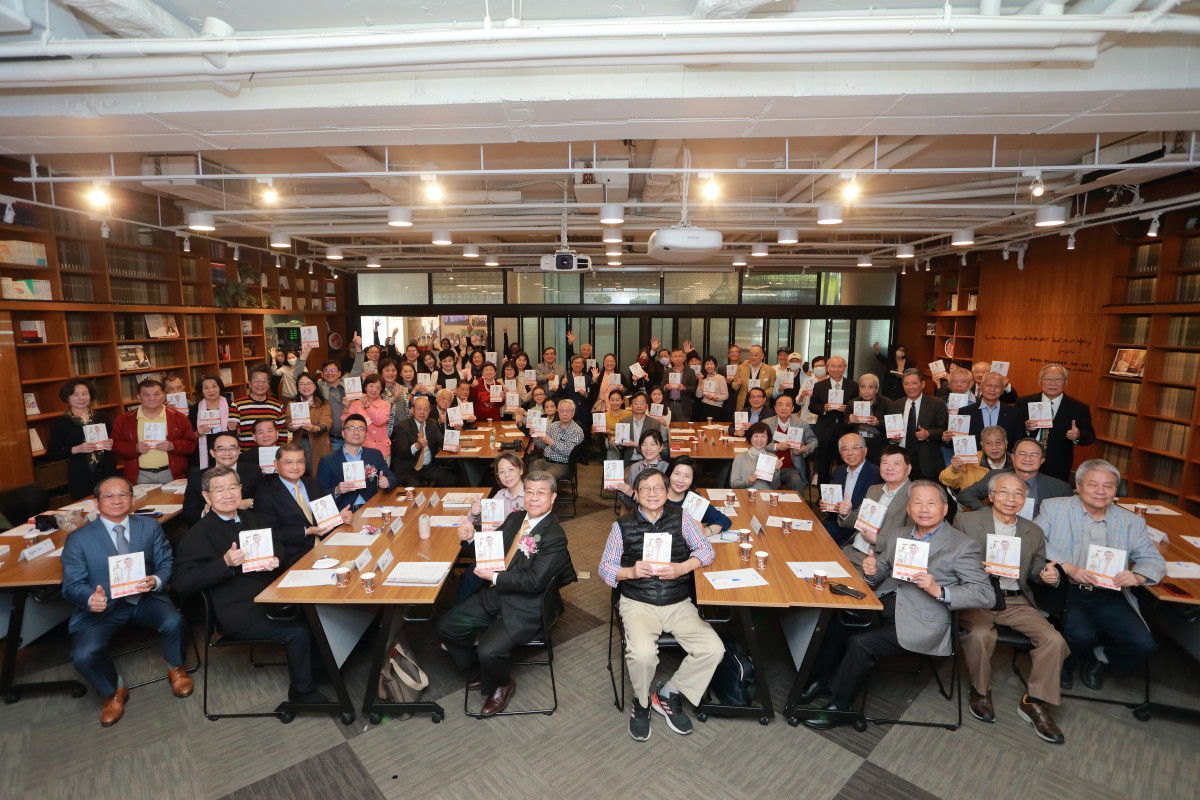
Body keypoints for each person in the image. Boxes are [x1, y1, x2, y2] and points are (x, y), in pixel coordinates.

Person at [801, 480, 994, 729]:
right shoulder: (899, 534)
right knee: (836, 618)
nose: (923, 509)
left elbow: (985, 594)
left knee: (861, 642)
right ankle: (823, 679)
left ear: (945, 509)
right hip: (886, 602)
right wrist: (872, 571)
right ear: (909, 508)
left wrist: (940, 590)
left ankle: (842, 704)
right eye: (917, 502)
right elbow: (883, 570)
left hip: (923, 617)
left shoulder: (962, 545)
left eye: (931, 503)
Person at [173, 465, 331, 706]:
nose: (228, 494)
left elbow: (275, 543)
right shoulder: (197, 534)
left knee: (318, 609)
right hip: (237, 609)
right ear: (206, 496)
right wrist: (223, 563)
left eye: (232, 487)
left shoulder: (251, 517)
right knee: (299, 631)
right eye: (219, 490)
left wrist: (275, 558)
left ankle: (319, 672)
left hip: (269, 593)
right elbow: (182, 583)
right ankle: (304, 694)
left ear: (241, 489)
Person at [437, 472, 576, 717]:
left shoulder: (555, 536)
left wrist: (495, 577)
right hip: (495, 594)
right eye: (529, 492)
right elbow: (492, 546)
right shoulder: (515, 518)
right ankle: (487, 669)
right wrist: (472, 538)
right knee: (449, 626)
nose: (533, 498)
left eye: (541, 492)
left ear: (553, 498)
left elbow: (535, 582)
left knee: (489, 649)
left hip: (526, 606)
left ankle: (503, 682)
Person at [600, 468, 724, 741]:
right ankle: (642, 702)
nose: (653, 494)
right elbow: (605, 569)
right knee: (642, 653)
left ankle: (668, 692)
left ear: (667, 492)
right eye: (645, 489)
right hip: (638, 601)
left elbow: (706, 551)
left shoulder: (683, 519)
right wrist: (631, 572)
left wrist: (682, 568)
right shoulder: (621, 525)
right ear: (637, 494)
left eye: (658, 488)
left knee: (713, 649)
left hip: (677, 601)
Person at [60, 476, 192, 727]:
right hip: (103, 605)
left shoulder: (149, 526)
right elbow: (71, 585)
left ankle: (176, 666)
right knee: (83, 654)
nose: (117, 500)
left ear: (133, 499)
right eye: (109, 496)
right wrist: (89, 598)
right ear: (96, 502)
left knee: (175, 621)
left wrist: (155, 579)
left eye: (123, 494)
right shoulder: (79, 539)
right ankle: (112, 690)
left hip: (144, 597)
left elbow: (166, 562)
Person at [955, 472, 1069, 743]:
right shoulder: (966, 521)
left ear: (1025, 499)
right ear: (991, 496)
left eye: (1018, 493)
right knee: (981, 634)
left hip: (1015, 598)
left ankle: (1035, 701)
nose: (1011, 498)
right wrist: (972, 567)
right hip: (978, 596)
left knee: (1053, 640)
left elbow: (1034, 569)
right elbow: (949, 559)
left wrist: (1047, 575)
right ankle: (981, 690)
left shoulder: (1033, 531)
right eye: (1004, 492)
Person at [1036, 459, 1165, 691]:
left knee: (1143, 644)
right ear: (1078, 485)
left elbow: (1153, 559)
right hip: (1068, 589)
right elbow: (1034, 541)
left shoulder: (1131, 522)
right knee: (1080, 635)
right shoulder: (1053, 507)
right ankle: (1065, 666)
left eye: (1108, 486)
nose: (1100, 491)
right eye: (1093, 484)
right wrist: (1067, 566)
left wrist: (1138, 577)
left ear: (1116, 490)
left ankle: (1102, 657)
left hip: (1109, 593)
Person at [255, 443, 351, 568]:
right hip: (293, 555)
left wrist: (339, 517)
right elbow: (270, 533)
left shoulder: (313, 483)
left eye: (300, 461)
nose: (295, 467)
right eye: (288, 462)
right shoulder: (265, 493)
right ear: (276, 464)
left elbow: (324, 514)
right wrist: (306, 531)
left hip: (327, 545)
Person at [1015, 364, 1096, 482]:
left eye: (1058, 379)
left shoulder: (1079, 407)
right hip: (1026, 461)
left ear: (1065, 382)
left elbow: (1090, 436)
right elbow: (1013, 431)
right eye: (1048, 379)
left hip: (1058, 465)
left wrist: (1078, 436)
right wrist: (1025, 428)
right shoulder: (1023, 402)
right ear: (1040, 381)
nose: (1053, 383)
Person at [838, 446, 913, 567]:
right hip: (850, 551)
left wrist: (878, 540)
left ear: (908, 469)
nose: (889, 468)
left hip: (875, 563)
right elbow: (857, 521)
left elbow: (913, 541)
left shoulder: (914, 497)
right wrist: (846, 514)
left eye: (896, 463)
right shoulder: (874, 490)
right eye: (885, 463)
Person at [111, 378, 198, 484]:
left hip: (171, 473)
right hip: (139, 475)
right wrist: (135, 448)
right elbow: (115, 444)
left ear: (163, 395)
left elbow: (191, 443)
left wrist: (173, 446)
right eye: (146, 395)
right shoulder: (125, 419)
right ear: (139, 397)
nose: (152, 398)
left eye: (156, 394)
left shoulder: (178, 417)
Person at [957, 438, 1073, 516]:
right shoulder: (996, 476)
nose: (1027, 459)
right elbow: (965, 494)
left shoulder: (1060, 489)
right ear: (1013, 457)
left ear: (1042, 461)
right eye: (1022, 453)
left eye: (1034, 455)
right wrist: (987, 511)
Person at [48, 379, 117, 499]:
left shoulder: (102, 417)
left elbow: (113, 440)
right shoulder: (60, 423)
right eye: (75, 394)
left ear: (90, 395)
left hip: (107, 472)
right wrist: (77, 449)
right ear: (67, 397)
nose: (81, 398)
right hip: (81, 476)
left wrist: (111, 443)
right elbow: (52, 453)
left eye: (84, 393)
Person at [317, 413, 396, 510]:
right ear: (343, 433)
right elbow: (319, 495)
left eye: (361, 429)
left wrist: (386, 482)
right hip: (344, 512)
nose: (356, 432)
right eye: (351, 428)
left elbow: (392, 477)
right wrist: (336, 490)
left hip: (371, 508)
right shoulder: (327, 461)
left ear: (366, 434)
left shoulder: (375, 455)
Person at [182, 431, 260, 524]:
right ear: (212, 453)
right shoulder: (197, 477)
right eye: (221, 449)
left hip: (247, 525)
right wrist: (205, 513)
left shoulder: (253, 471)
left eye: (232, 448)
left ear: (239, 450)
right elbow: (188, 513)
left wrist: (250, 503)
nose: (227, 453)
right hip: (212, 528)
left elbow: (266, 501)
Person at [886, 368, 948, 481]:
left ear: (922, 384)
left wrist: (928, 433)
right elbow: (890, 431)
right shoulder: (894, 405)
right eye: (906, 384)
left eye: (914, 383)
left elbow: (944, 429)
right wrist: (893, 439)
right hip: (900, 459)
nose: (910, 387)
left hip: (926, 462)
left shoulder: (937, 403)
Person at [822, 433, 882, 545]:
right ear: (840, 453)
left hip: (859, 529)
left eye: (855, 448)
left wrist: (847, 514)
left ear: (865, 450)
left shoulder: (877, 474)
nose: (850, 453)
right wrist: (827, 505)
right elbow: (835, 503)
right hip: (837, 521)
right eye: (845, 449)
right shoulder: (839, 471)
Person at [808, 355, 859, 484]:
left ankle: (844, 494)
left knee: (846, 464)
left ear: (844, 368)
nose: (836, 369)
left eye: (840, 366)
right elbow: (812, 406)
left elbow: (858, 406)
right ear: (827, 368)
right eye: (833, 366)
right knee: (823, 466)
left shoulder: (853, 385)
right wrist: (823, 408)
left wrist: (847, 409)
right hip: (825, 430)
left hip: (845, 430)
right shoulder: (820, 385)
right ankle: (822, 498)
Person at [391, 396, 458, 488]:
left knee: (451, 480)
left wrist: (453, 445)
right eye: (419, 409)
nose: (422, 412)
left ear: (429, 411)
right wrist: (417, 446)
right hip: (409, 468)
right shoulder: (403, 427)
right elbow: (402, 452)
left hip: (428, 467)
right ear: (412, 410)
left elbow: (442, 442)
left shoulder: (432, 423)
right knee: (415, 487)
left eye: (425, 409)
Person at [761, 394, 818, 492]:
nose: (783, 408)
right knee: (763, 485)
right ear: (775, 408)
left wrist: (804, 449)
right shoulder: (766, 423)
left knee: (797, 481)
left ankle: (797, 507)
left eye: (787, 405)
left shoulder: (801, 424)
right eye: (780, 405)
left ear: (792, 408)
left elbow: (814, 441)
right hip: (770, 467)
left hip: (792, 468)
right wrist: (776, 446)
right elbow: (758, 443)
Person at [665, 456, 732, 538]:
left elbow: (724, 520)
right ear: (669, 475)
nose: (681, 480)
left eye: (687, 476)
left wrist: (705, 531)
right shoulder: (655, 498)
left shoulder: (694, 499)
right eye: (677, 474)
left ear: (692, 480)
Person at [318, 337, 365, 451]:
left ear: (339, 373)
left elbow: (358, 369)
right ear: (322, 374)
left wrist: (358, 348)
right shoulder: (319, 388)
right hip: (332, 438)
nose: (330, 373)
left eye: (333, 370)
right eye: (327, 371)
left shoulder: (347, 385)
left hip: (353, 436)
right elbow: (299, 378)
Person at [229, 365, 288, 449]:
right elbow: (232, 434)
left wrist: (281, 453)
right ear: (249, 383)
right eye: (256, 380)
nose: (260, 384)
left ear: (268, 383)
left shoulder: (277, 405)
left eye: (264, 381)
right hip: (246, 455)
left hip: (271, 455)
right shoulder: (237, 405)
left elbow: (282, 433)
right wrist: (232, 428)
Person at [938, 425, 1011, 493]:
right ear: (982, 445)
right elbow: (947, 482)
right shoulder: (969, 459)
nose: (994, 447)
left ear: (1006, 443)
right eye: (988, 443)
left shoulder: (1016, 461)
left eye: (998, 442)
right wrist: (955, 469)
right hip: (971, 505)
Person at [286, 372, 332, 476]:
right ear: (297, 388)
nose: (305, 387)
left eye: (309, 383)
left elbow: (326, 423)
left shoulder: (324, 403)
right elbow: (288, 422)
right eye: (302, 384)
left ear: (315, 386)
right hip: (299, 443)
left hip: (319, 444)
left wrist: (315, 428)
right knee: (300, 474)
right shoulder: (292, 404)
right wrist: (291, 426)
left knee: (319, 475)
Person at [528, 398, 585, 481]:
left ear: (573, 412)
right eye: (561, 411)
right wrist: (536, 437)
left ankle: (543, 491)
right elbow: (542, 446)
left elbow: (568, 452)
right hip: (544, 461)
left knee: (544, 479)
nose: (564, 414)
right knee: (532, 470)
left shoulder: (577, 431)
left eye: (568, 411)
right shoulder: (553, 426)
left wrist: (551, 442)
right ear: (558, 412)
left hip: (562, 465)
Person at [962, 371, 1024, 445]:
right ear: (981, 387)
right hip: (975, 456)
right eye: (988, 385)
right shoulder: (965, 412)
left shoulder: (1015, 414)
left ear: (1003, 389)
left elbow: (1018, 442)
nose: (992, 389)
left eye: (997, 386)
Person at [840, 372, 888, 464]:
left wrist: (878, 423)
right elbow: (844, 428)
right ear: (859, 388)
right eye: (863, 387)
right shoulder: (852, 403)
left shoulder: (886, 403)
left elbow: (892, 428)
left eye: (870, 387)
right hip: (858, 442)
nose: (866, 391)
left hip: (878, 442)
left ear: (876, 389)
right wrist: (850, 422)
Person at [342, 373, 392, 461]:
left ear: (381, 390)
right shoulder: (355, 404)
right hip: (361, 448)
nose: (374, 390)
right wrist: (346, 409)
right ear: (365, 387)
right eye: (371, 386)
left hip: (382, 450)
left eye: (378, 388)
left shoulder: (385, 405)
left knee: (382, 473)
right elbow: (346, 426)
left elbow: (380, 421)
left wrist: (367, 406)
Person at [616, 430, 669, 508]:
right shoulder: (634, 467)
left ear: (661, 447)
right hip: (637, 514)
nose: (648, 448)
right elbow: (629, 503)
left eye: (653, 444)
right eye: (644, 444)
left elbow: (662, 503)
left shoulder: (666, 468)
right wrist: (620, 489)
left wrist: (632, 494)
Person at [610, 391, 664, 465]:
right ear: (631, 406)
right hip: (629, 461)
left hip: (648, 461)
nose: (639, 406)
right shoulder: (624, 422)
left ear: (647, 406)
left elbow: (656, 447)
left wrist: (635, 445)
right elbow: (621, 447)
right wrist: (616, 442)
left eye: (642, 403)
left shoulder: (654, 423)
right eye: (636, 403)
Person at [189, 373, 229, 470]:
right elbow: (188, 436)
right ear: (201, 391)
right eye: (206, 388)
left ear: (220, 387)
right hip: (202, 456)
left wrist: (234, 428)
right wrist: (197, 433)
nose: (211, 390)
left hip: (227, 453)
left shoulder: (231, 406)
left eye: (214, 386)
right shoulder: (195, 409)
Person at [730, 421, 780, 491]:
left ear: (768, 439)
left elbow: (775, 487)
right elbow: (733, 484)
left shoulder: (773, 458)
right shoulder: (740, 457)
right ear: (750, 438)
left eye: (763, 436)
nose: (759, 440)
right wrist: (748, 482)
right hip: (745, 495)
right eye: (756, 436)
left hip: (765, 496)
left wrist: (776, 472)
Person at [731, 344, 777, 412]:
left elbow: (773, 387)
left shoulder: (770, 370)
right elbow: (733, 384)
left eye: (756, 355)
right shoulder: (742, 367)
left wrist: (761, 395)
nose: (753, 357)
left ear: (762, 356)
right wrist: (737, 384)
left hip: (762, 405)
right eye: (751, 355)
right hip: (744, 404)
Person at [659, 347, 698, 423]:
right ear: (671, 359)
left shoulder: (690, 372)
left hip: (683, 405)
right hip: (669, 404)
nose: (677, 359)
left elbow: (694, 388)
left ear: (684, 358)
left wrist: (685, 388)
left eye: (680, 356)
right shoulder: (667, 371)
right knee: (668, 427)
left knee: (683, 429)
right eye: (675, 356)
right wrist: (665, 387)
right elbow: (661, 387)